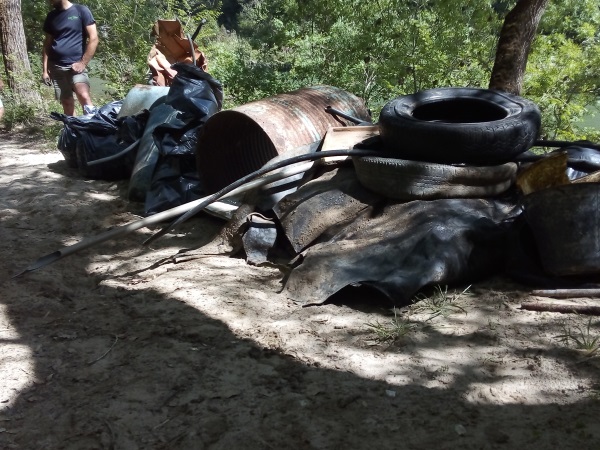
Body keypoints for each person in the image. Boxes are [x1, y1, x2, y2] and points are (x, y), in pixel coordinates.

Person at [42, 0, 98, 116]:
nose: (48, 1)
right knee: (66, 102)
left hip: (76, 66)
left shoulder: (81, 10)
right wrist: (45, 70)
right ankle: (73, 131)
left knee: (84, 96)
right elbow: (47, 43)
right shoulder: (51, 16)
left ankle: (94, 129)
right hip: (56, 67)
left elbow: (94, 38)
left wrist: (83, 63)